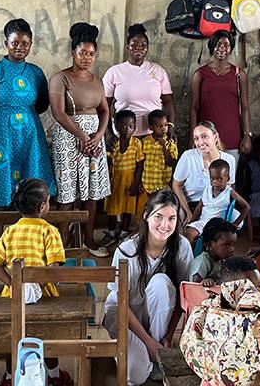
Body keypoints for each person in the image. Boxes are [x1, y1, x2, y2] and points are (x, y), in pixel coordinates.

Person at [104, 190, 193, 385]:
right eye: (158, 217)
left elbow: (183, 296)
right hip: (123, 313)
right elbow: (121, 302)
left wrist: (168, 336)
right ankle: (151, 352)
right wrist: (149, 342)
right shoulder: (127, 249)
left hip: (157, 319)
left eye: (172, 218)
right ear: (146, 215)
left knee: (161, 283)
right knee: (136, 375)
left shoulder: (182, 246)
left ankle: (156, 354)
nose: (165, 225)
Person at [0, 178, 67, 385]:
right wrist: (35, 286)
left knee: (13, 337)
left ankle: (8, 377)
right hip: (45, 299)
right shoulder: (50, 231)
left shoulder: (10, 231)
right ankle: (56, 376)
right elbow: (54, 268)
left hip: (13, 297)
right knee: (46, 336)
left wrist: (13, 284)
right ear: (42, 207)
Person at [0, 19, 55, 208]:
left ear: (31, 44)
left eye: (25, 43)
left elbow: (43, 103)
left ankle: (25, 234)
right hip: (0, 138)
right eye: (15, 43)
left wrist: (26, 115)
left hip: (29, 138)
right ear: (6, 44)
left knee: (31, 194)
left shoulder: (36, 73)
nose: (19, 47)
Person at [48, 22, 112, 257]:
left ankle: (88, 240)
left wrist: (97, 136)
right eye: (82, 52)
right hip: (68, 140)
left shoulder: (97, 80)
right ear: (72, 53)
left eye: (91, 53)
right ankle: (63, 244)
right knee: (67, 192)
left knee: (92, 192)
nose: (87, 57)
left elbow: (105, 111)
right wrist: (83, 135)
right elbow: (58, 113)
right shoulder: (60, 78)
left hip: (94, 142)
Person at [188, 30, 252, 160]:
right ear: (212, 47)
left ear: (231, 48)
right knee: (204, 177)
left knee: (228, 178)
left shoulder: (239, 74)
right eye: (218, 44)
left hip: (232, 136)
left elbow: (245, 107)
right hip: (205, 137)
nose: (222, 48)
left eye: (226, 45)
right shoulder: (200, 74)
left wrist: (247, 135)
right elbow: (194, 108)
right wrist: (192, 137)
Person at [103, 23, 175, 137]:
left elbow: (168, 101)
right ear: (127, 47)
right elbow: (104, 106)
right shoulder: (114, 72)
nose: (139, 48)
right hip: (123, 136)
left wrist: (170, 126)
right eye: (134, 44)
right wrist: (108, 132)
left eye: (143, 45)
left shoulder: (158, 70)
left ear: (147, 48)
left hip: (154, 135)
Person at [171, 121, 236, 218]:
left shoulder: (229, 160)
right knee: (181, 219)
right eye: (196, 138)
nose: (200, 142)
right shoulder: (188, 157)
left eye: (204, 136)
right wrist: (188, 213)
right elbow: (176, 185)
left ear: (216, 137)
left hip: (214, 206)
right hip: (190, 204)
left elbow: (227, 188)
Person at [183, 159, 249, 246]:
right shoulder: (207, 189)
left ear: (228, 178)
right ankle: (191, 258)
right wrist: (191, 221)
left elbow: (246, 207)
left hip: (217, 227)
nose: (215, 182)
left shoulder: (229, 192)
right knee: (187, 235)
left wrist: (235, 224)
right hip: (203, 222)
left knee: (209, 242)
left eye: (219, 179)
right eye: (212, 179)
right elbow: (199, 207)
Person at [104, 110, 146, 244]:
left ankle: (123, 232)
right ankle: (111, 232)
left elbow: (140, 165)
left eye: (131, 126)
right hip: (114, 181)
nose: (127, 129)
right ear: (116, 127)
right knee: (112, 209)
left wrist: (136, 184)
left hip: (129, 182)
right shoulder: (113, 143)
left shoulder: (136, 144)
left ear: (134, 127)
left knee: (128, 209)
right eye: (123, 126)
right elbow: (108, 162)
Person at [190, 218, 237, 286]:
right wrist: (204, 281)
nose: (232, 249)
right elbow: (194, 285)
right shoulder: (202, 261)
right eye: (227, 245)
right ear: (210, 244)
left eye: (234, 245)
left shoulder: (221, 259)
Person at [141, 109, 178, 195]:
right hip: (147, 185)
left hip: (163, 186)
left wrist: (163, 147)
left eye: (166, 125)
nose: (164, 128)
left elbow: (171, 163)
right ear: (151, 127)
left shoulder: (170, 142)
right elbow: (141, 162)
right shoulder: (145, 141)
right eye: (160, 126)